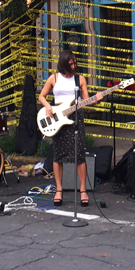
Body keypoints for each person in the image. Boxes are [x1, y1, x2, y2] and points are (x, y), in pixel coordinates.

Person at [38, 50, 101, 207]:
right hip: (57, 117)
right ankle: (59, 189)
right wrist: (48, 107)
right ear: (64, 64)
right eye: (70, 63)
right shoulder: (54, 78)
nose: (73, 66)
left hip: (75, 117)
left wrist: (96, 100)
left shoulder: (80, 79)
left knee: (79, 153)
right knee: (58, 154)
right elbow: (41, 96)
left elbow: (86, 100)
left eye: (75, 63)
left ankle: (83, 189)